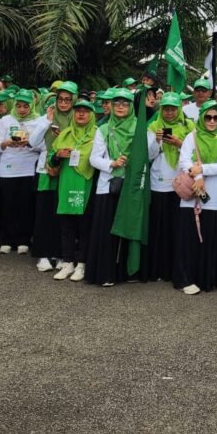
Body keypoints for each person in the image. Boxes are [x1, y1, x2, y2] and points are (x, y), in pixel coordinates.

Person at [86, 88, 158, 286]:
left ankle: (126, 272)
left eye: (125, 104)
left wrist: (153, 140)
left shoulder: (140, 127)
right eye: (117, 103)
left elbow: (150, 155)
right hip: (108, 186)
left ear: (131, 107)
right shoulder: (103, 129)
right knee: (108, 229)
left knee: (129, 225)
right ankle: (106, 273)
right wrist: (112, 164)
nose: (120, 107)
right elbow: (93, 159)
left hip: (132, 186)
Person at [174, 100, 217, 295]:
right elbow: (184, 160)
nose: (212, 121)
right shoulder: (192, 137)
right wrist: (198, 177)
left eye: (216, 117)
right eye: (208, 117)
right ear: (202, 117)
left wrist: (203, 169)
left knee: (209, 239)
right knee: (188, 238)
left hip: (213, 198)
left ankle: (207, 277)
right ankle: (185, 278)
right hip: (191, 196)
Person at [147, 92, 194, 282]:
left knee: (177, 228)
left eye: (173, 109)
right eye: (165, 109)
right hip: (158, 183)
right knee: (159, 228)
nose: (169, 113)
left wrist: (179, 143)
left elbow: (194, 153)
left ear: (179, 109)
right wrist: (158, 142)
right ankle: (158, 268)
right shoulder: (153, 126)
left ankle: (174, 268)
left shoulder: (189, 126)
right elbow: (148, 156)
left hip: (181, 184)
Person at [51, 99, 98, 282]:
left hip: (87, 186)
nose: (81, 114)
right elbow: (51, 160)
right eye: (78, 110)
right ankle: (68, 262)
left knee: (85, 227)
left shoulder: (97, 134)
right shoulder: (65, 134)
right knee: (66, 226)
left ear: (92, 115)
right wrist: (57, 155)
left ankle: (82, 264)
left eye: (86, 111)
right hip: (66, 184)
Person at [0, 89, 45, 255]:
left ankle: (23, 240)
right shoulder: (6, 120)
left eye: (25, 106)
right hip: (8, 169)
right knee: (7, 206)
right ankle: (7, 240)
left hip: (28, 168)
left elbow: (42, 147)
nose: (22, 109)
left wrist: (28, 144)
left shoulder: (38, 121)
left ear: (32, 106)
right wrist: (7, 143)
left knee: (25, 207)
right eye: (19, 106)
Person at [33, 83, 76, 271]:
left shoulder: (77, 119)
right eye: (60, 99)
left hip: (67, 172)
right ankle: (42, 255)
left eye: (68, 99)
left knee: (62, 216)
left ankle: (59, 253)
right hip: (46, 171)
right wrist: (47, 121)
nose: (64, 103)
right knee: (44, 214)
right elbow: (33, 143)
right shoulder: (46, 118)